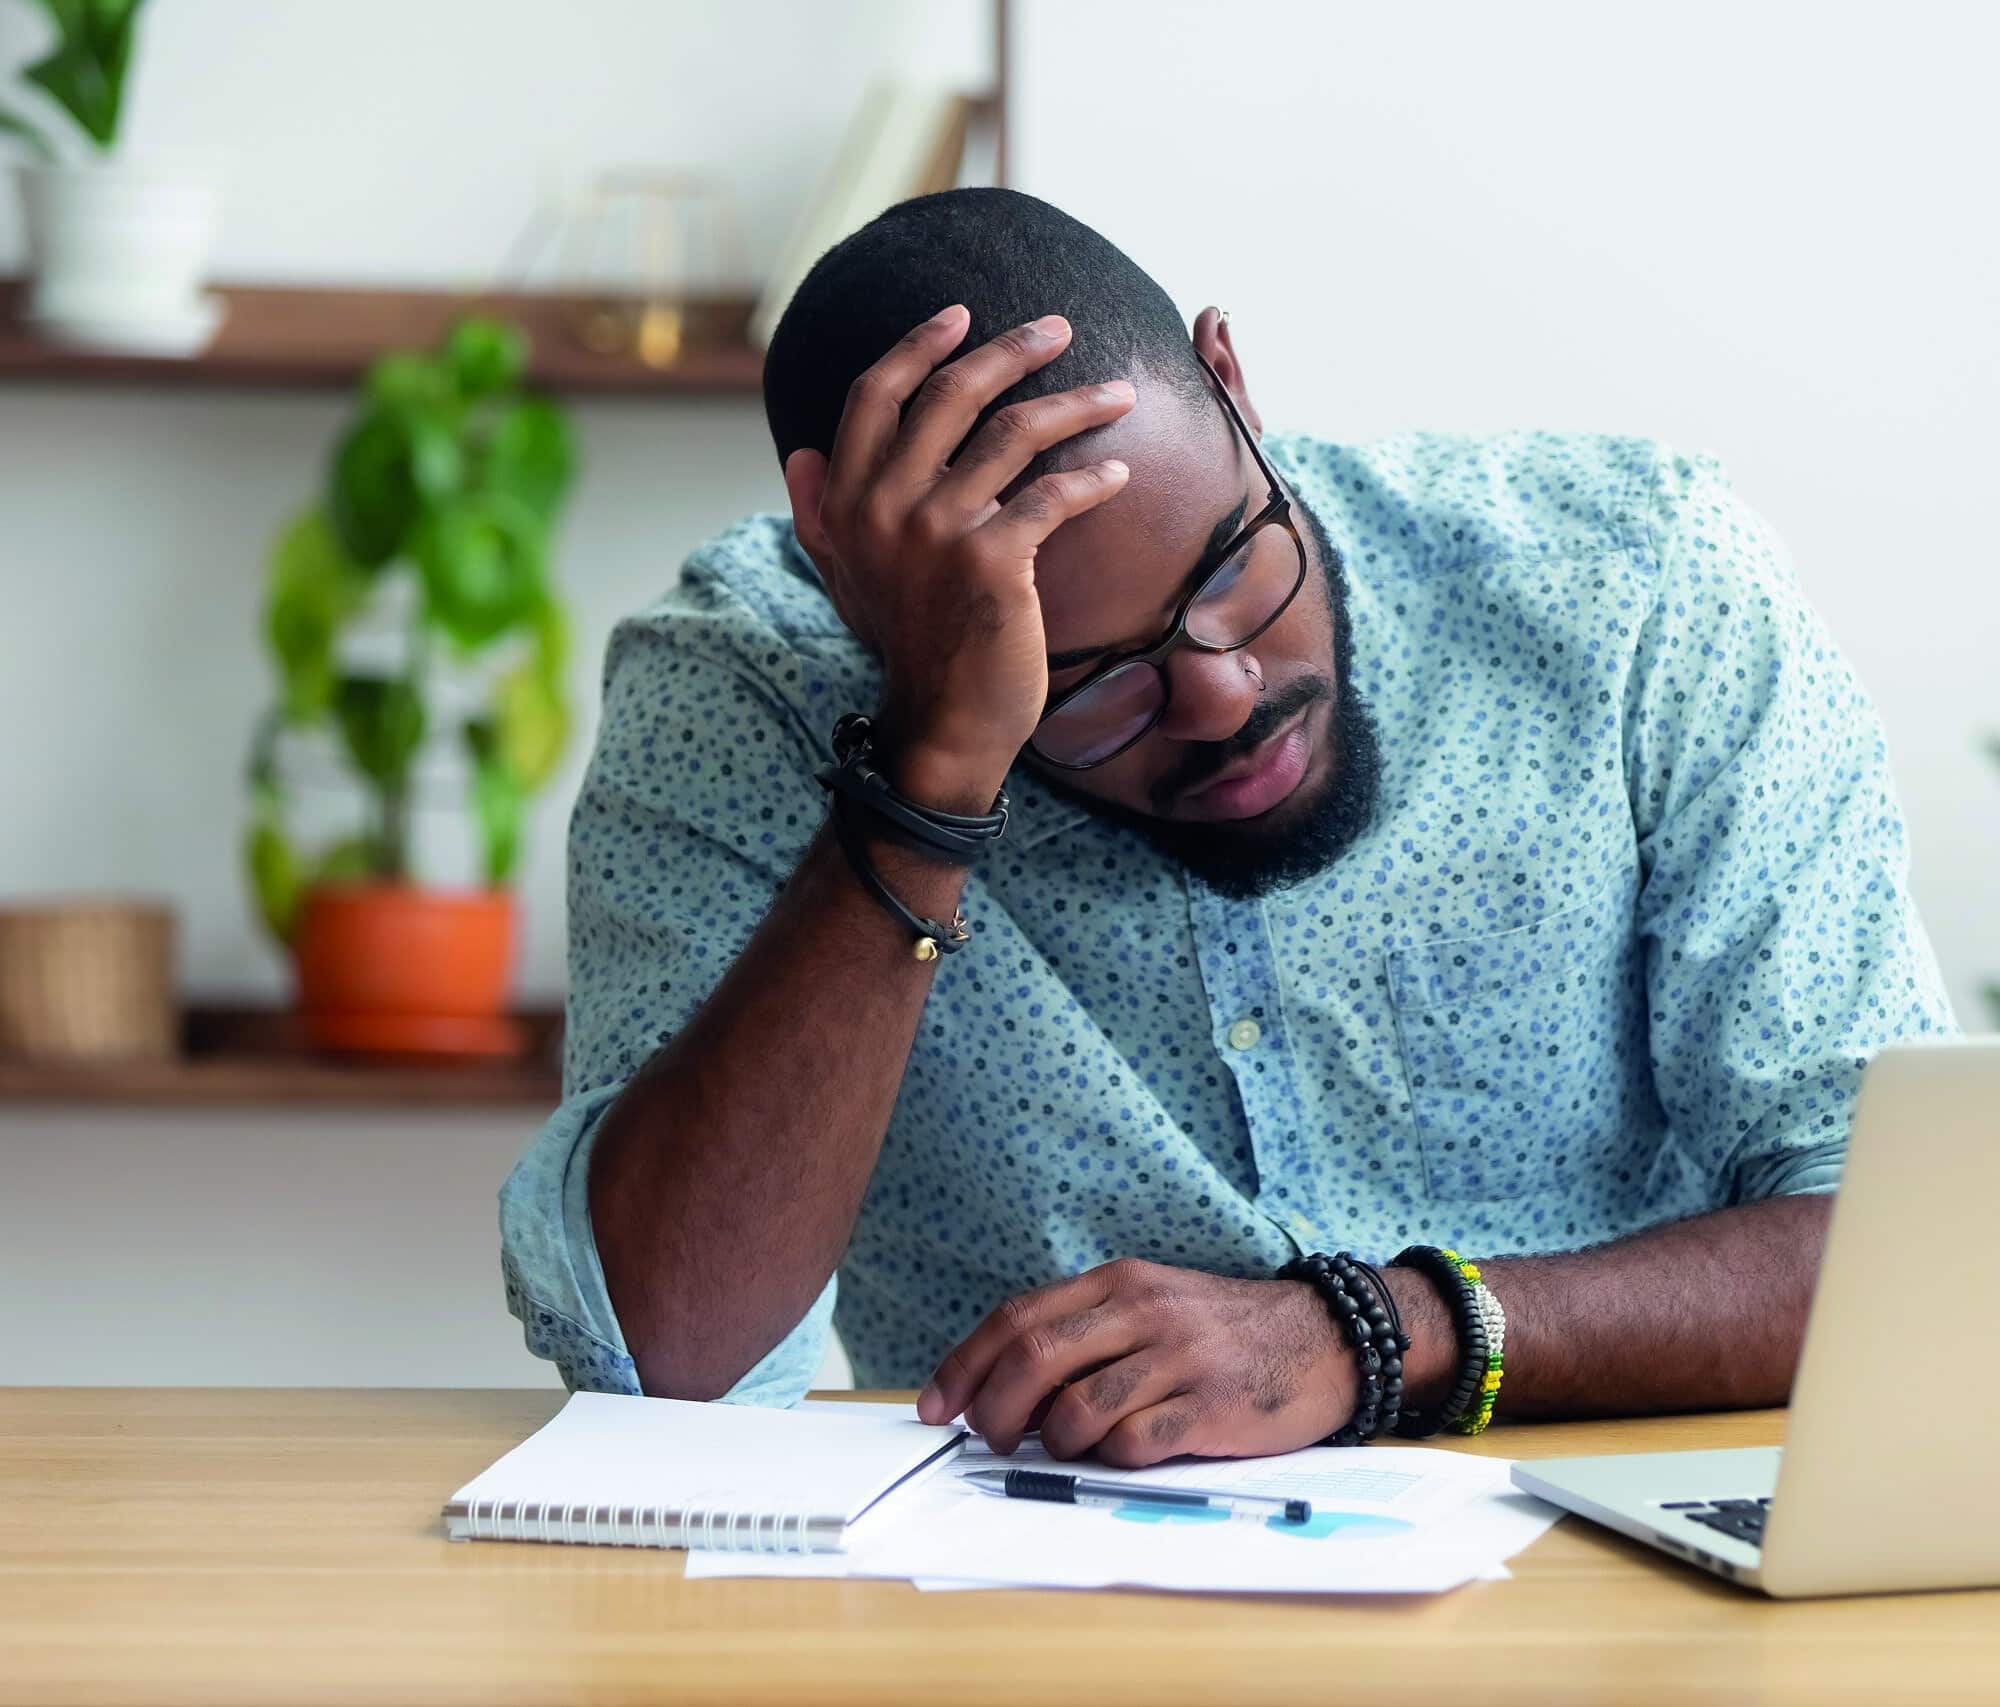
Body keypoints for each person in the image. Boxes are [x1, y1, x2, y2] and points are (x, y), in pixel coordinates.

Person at [500, 187, 1953, 1464]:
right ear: (851, 586)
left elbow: (1911, 1250)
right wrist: (932, 767)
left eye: (1232, 566)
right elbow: (667, 1354)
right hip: (1032, 1635)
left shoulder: (1635, 587)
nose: (1219, 693)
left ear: (1233, 382)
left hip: (1615, 1597)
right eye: (1081, 681)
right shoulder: (745, 684)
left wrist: (1375, 1335)